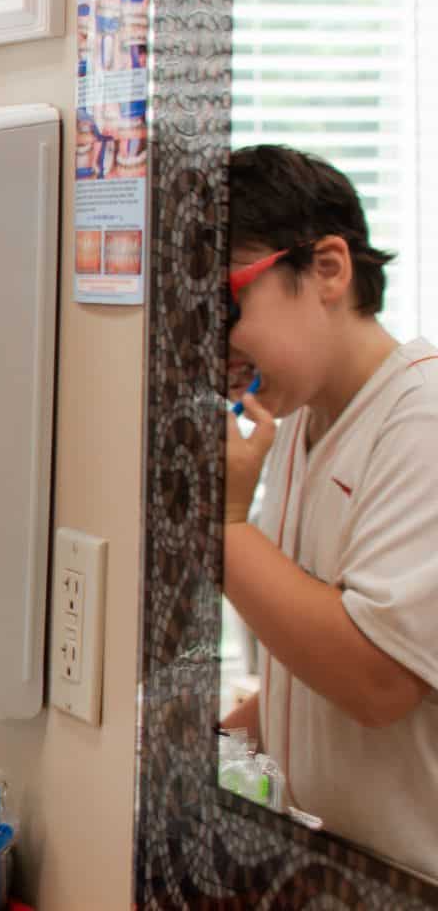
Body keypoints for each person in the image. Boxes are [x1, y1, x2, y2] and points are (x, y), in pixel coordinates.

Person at [221, 144, 438, 878]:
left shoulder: (422, 421)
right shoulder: (302, 425)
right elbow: (310, 662)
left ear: (329, 269)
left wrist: (221, 528)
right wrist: (228, 733)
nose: (216, 345)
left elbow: (377, 683)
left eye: (228, 303)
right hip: (330, 865)